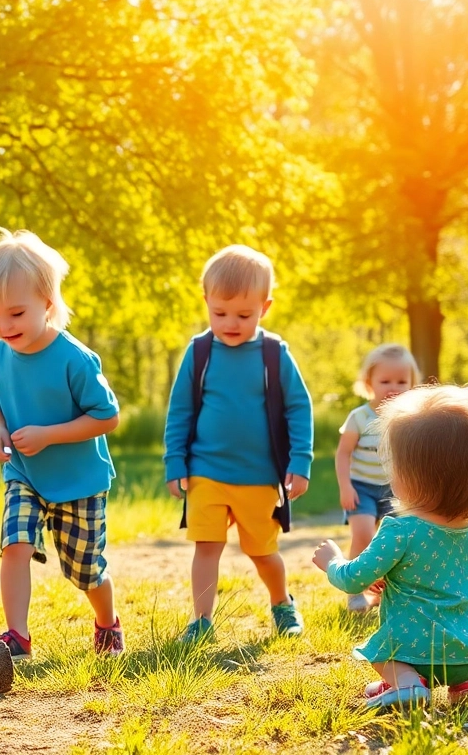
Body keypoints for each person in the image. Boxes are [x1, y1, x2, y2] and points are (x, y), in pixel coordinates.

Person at [0, 225, 123, 659]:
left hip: (79, 482)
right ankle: (18, 636)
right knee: (15, 544)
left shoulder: (75, 358)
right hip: (24, 473)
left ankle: (107, 621)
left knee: (84, 570)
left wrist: (49, 435)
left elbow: (107, 417)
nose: (3, 326)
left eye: (15, 313)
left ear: (47, 302)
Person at [314, 385, 468, 710]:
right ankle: (463, 686)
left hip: (415, 651)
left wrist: (332, 561)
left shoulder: (400, 530)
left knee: (381, 651)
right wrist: (397, 579)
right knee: (448, 648)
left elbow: (352, 580)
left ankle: (407, 683)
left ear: (413, 476)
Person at [164, 244, 313, 643]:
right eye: (220, 313)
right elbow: (180, 412)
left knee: (263, 552)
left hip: (258, 477)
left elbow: (299, 408)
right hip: (205, 472)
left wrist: (300, 461)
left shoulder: (273, 354)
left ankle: (282, 603)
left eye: (243, 315)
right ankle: (201, 622)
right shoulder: (199, 353)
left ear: (264, 307)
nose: (230, 323)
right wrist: (175, 462)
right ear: (206, 301)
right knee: (206, 547)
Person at [335, 344, 419, 612]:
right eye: (385, 381)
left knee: (395, 543)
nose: (393, 387)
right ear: (369, 382)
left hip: (397, 490)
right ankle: (355, 591)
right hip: (361, 488)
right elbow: (343, 454)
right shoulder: (358, 417)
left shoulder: (410, 419)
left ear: (412, 383)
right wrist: (345, 486)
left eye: (401, 381)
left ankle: (388, 593)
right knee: (362, 534)